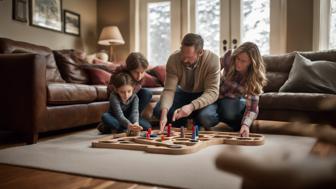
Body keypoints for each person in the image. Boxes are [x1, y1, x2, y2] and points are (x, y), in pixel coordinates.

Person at [153, 33, 220, 132]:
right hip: (182, 93)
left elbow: (212, 92)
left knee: (206, 117)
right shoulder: (173, 59)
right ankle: (186, 122)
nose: (184, 59)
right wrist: (164, 113)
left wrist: (191, 106)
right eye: (182, 53)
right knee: (159, 110)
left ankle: (192, 119)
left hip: (203, 94)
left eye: (189, 57)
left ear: (200, 52)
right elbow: (169, 90)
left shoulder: (213, 60)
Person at [218, 42, 267, 137]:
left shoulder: (255, 77)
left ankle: (236, 124)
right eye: (238, 59)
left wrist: (245, 125)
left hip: (234, 100)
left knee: (231, 110)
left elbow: (253, 107)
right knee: (206, 117)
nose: (238, 63)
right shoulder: (229, 57)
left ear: (251, 63)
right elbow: (213, 69)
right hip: (217, 97)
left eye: (243, 61)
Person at [107, 52, 153, 117]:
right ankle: (122, 121)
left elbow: (135, 94)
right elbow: (110, 92)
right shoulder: (119, 74)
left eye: (142, 72)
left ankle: (133, 118)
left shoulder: (140, 78)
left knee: (147, 93)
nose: (139, 76)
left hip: (131, 103)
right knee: (107, 118)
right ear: (129, 69)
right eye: (136, 72)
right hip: (119, 105)